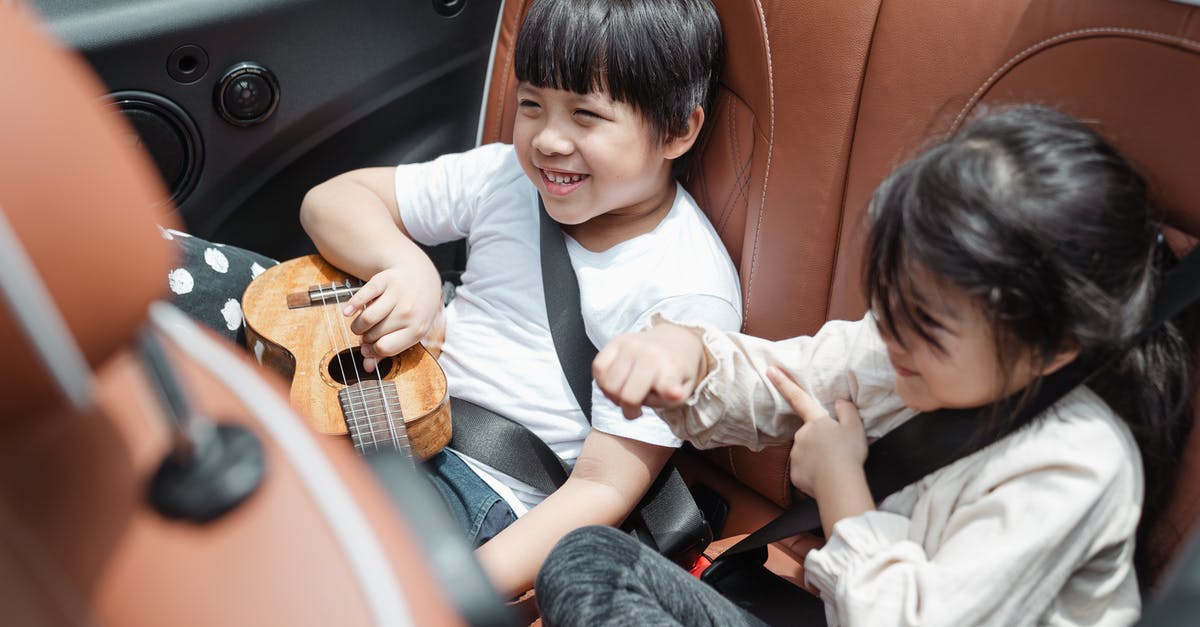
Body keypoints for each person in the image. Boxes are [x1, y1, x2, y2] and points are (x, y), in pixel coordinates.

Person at [536, 105, 1195, 626]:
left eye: (927, 321)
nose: (890, 330)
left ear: (1055, 344)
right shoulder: (899, 351)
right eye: (888, 296)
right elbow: (781, 377)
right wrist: (686, 352)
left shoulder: (1078, 464)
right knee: (587, 560)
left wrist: (838, 479)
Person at [298, 0, 740, 598]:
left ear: (677, 130)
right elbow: (331, 200)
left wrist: (454, 590)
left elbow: (602, 488)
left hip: (484, 488)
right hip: (390, 412)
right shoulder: (505, 176)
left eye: (586, 115)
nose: (549, 141)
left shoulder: (684, 290)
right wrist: (408, 266)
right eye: (532, 104)